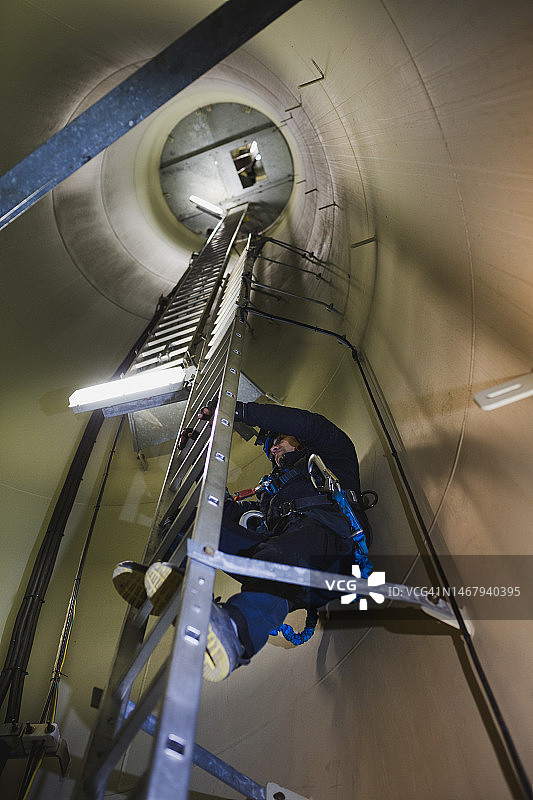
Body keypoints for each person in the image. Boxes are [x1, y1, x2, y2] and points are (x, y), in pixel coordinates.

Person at [112, 402, 372, 682]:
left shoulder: (334, 458)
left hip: (334, 553)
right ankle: (174, 582)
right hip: (292, 577)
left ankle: (235, 633)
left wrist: (239, 412)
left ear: (301, 443)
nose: (273, 449)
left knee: (280, 555)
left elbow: (310, 426)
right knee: (202, 522)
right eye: (271, 447)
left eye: (280, 440)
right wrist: (197, 455)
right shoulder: (270, 503)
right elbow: (223, 510)